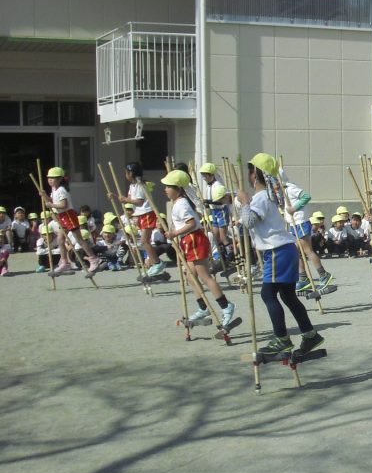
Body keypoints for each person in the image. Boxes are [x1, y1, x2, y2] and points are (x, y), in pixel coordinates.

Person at [236, 153, 322, 356]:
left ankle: (282, 339)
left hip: (277, 251)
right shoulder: (268, 196)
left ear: (254, 175)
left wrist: (245, 203)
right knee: (287, 295)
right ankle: (310, 335)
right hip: (283, 250)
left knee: (267, 293)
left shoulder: (262, 197)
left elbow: (249, 222)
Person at [162, 169, 237, 328]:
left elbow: (192, 223)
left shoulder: (181, 203)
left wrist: (174, 233)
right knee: (189, 275)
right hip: (188, 241)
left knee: (205, 276)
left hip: (194, 239)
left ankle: (226, 306)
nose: (165, 189)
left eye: (168, 186)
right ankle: (203, 307)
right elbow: (197, 217)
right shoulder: (179, 203)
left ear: (178, 188)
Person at [44, 166, 102, 275]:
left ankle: (94, 258)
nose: (50, 180)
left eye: (53, 178)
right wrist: (44, 196)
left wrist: (50, 204)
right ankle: (64, 261)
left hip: (68, 215)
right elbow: (51, 201)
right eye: (49, 178)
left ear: (60, 179)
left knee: (79, 239)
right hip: (61, 216)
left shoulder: (61, 190)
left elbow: (63, 205)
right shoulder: (54, 189)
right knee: (60, 239)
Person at [280, 172, 332, 293]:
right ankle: (303, 277)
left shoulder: (290, 188)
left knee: (307, 250)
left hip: (300, 222)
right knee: (295, 252)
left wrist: (294, 208)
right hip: (293, 224)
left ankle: (323, 274)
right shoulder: (282, 192)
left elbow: (306, 196)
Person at [121, 162, 163, 277]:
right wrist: (120, 198)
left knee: (144, 241)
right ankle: (154, 262)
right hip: (141, 214)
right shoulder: (132, 186)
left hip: (147, 213)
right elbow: (130, 198)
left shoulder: (140, 185)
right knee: (144, 241)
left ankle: (157, 262)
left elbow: (139, 202)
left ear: (131, 173)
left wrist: (126, 200)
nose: (125, 175)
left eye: (126, 172)